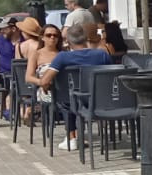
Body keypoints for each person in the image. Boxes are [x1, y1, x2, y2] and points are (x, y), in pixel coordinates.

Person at [36, 23, 113, 151]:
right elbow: (112, 76)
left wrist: (45, 88)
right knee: (71, 97)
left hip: (72, 102)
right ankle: (75, 137)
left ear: (68, 40)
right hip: (98, 100)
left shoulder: (62, 57)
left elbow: (45, 81)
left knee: (67, 99)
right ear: (86, 38)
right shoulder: (102, 55)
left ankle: (71, 138)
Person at [0, 18, 22, 118]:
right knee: (11, 82)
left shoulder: (25, 40)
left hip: (22, 73)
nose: (1, 31)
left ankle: (24, 110)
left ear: (14, 29)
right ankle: (8, 109)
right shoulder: (1, 40)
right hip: (6, 74)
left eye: (4, 29)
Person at [25, 24, 62, 88]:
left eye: (55, 35)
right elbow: (28, 77)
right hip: (45, 90)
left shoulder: (63, 54)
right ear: (42, 37)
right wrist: (41, 82)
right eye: (48, 35)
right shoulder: (36, 54)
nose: (52, 37)